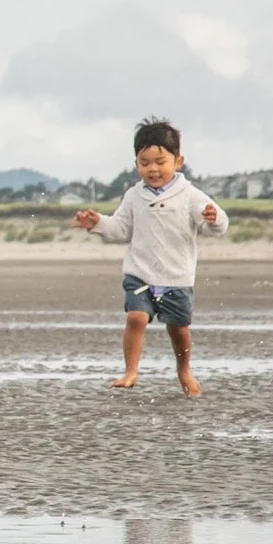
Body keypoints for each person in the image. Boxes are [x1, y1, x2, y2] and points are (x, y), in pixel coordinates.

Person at [73, 118, 228, 394]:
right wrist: (96, 223)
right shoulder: (134, 195)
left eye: (160, 161)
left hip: (176, 276)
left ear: (178, 161)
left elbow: (214, 227)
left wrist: (214, 219)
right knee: (136, 318)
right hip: (140, 272)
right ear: (136, 164)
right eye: (145, 163)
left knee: (178, 330)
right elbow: (121, 228)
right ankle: (130, 371)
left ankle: (184, 371)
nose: (153, 169)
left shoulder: (190, 195)